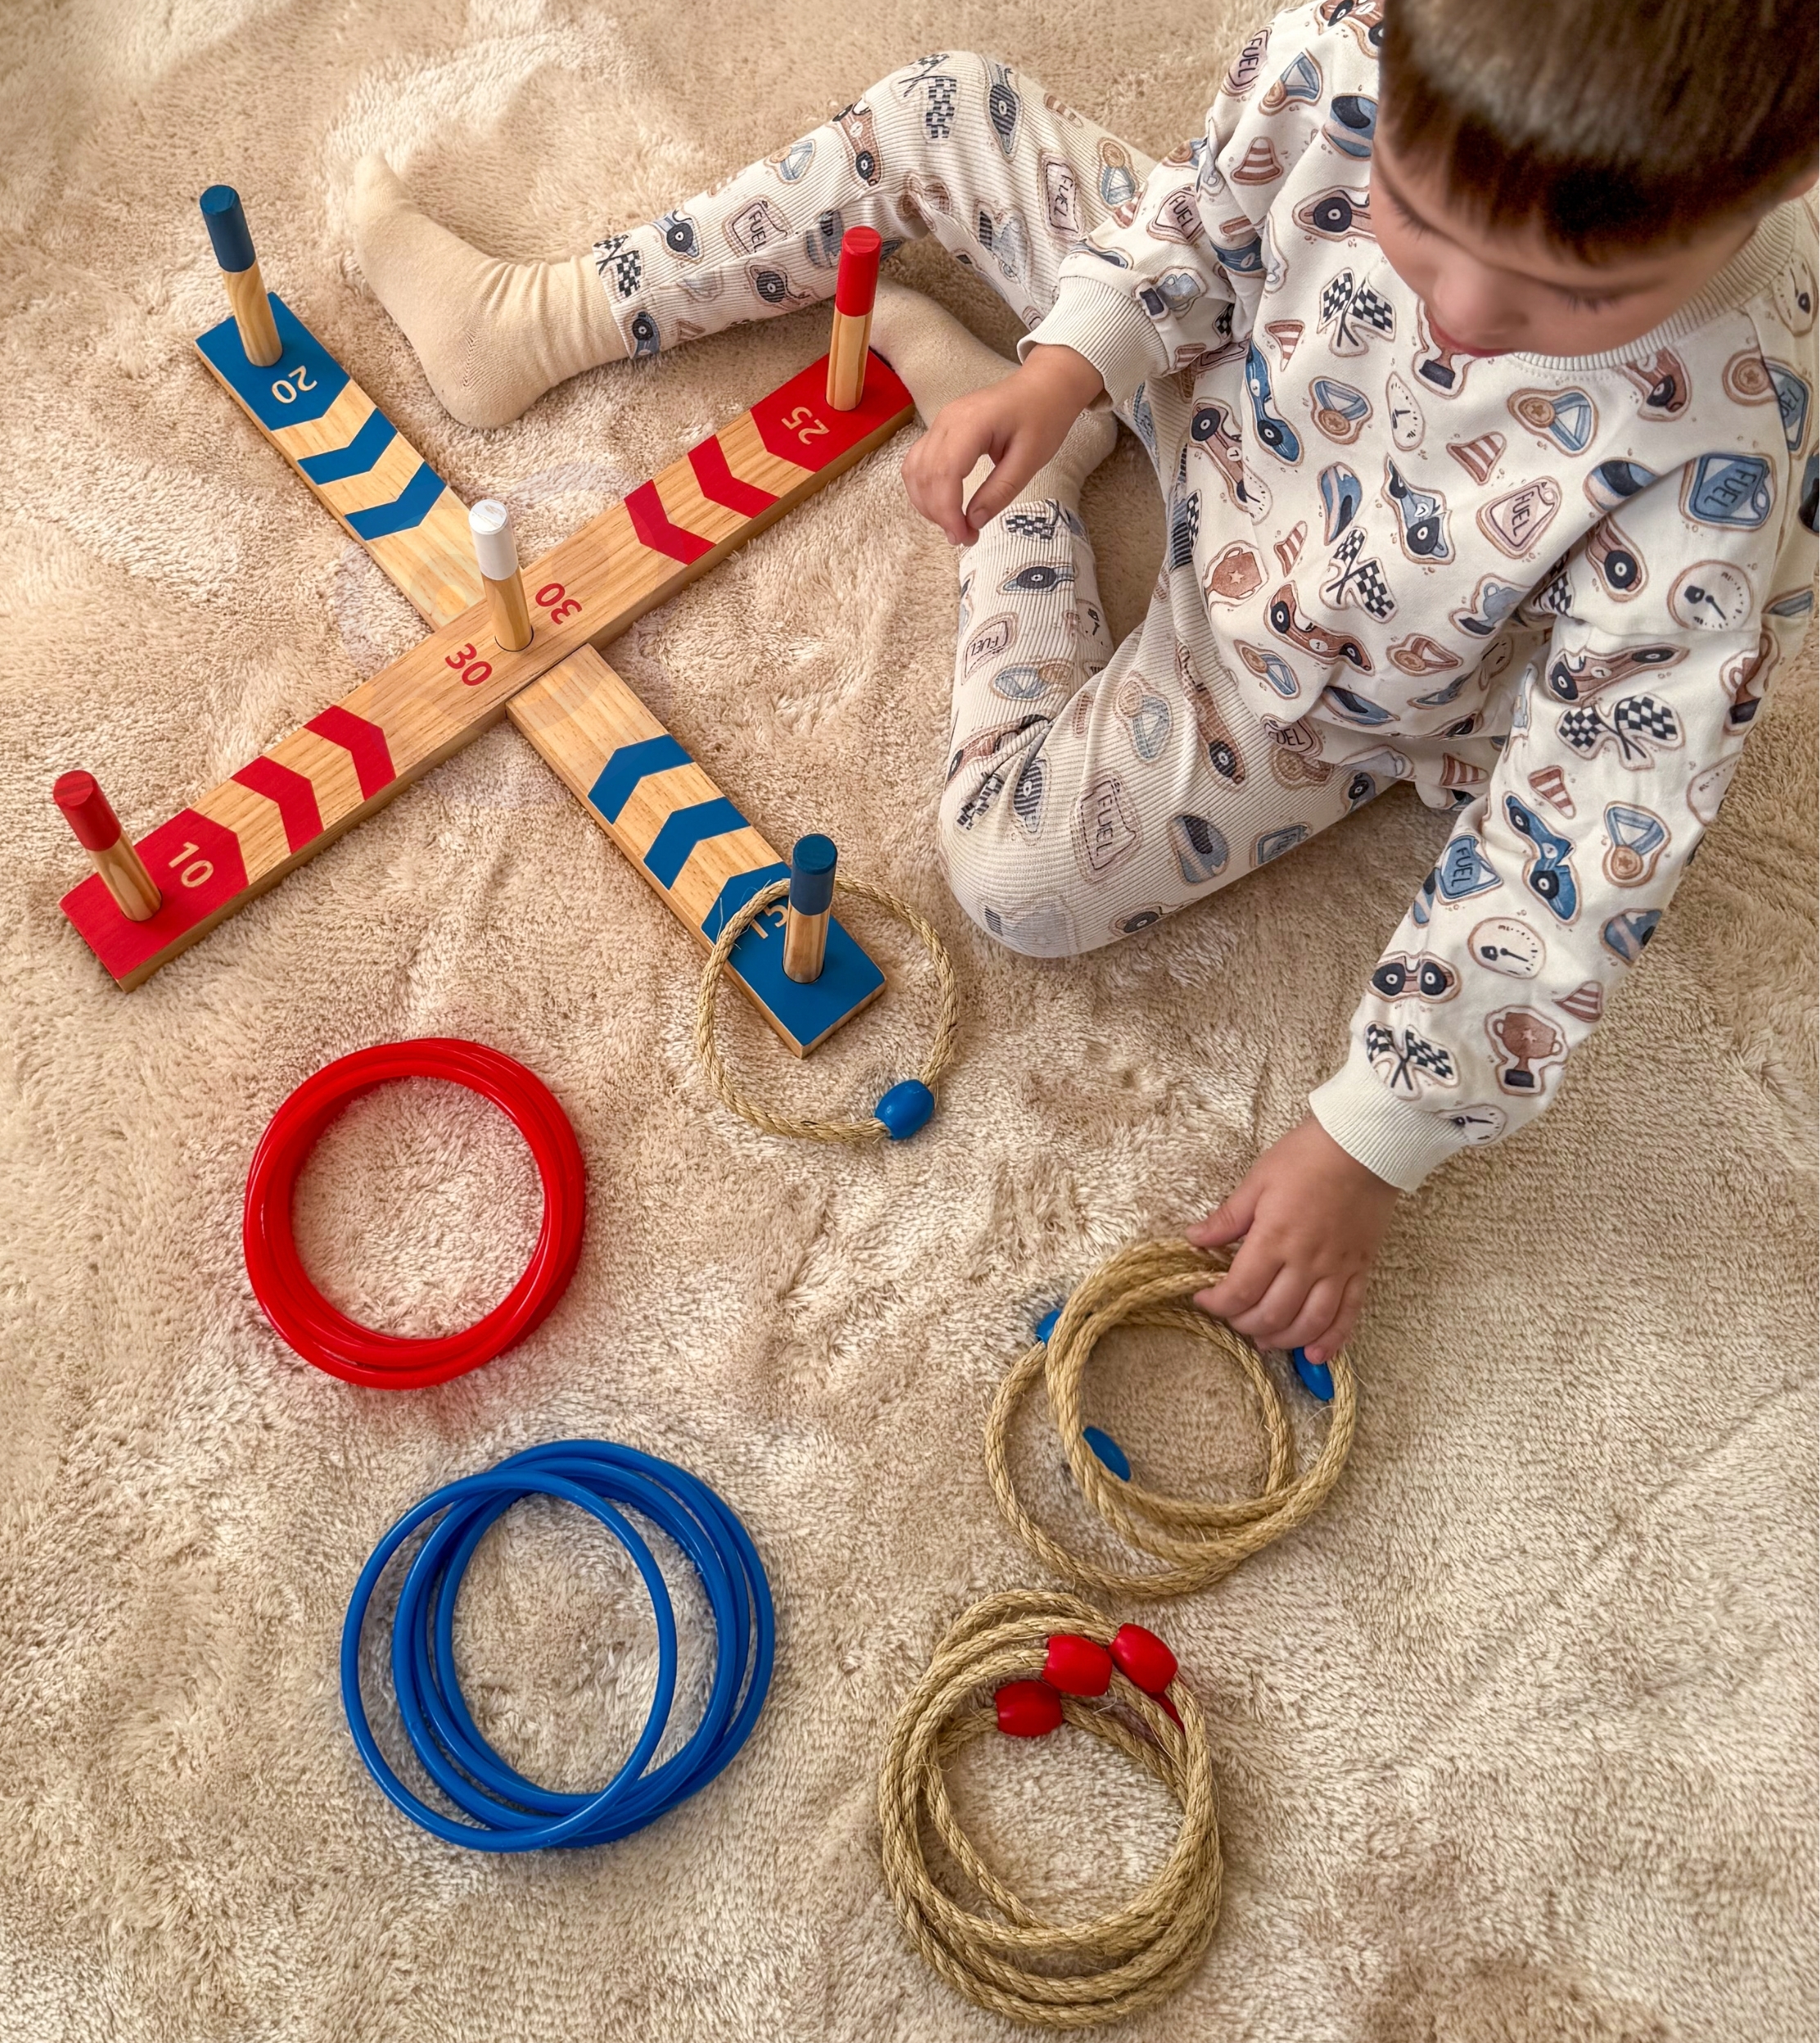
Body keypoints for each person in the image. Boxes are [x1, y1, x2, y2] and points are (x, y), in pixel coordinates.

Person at [346, 0, 1818, 1361]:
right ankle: (543, 320)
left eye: (1571, 299)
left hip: (1323, 678)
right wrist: (1067, 362)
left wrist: (1377, 1134)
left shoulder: (1726, 448)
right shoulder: (1351, 48)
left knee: (1014, 874)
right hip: (1234, 377)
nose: (1464, 307)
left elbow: (1586, 840)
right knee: (942, 111)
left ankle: (1044, 502)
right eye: (1419, 221)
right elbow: (1204, 223)